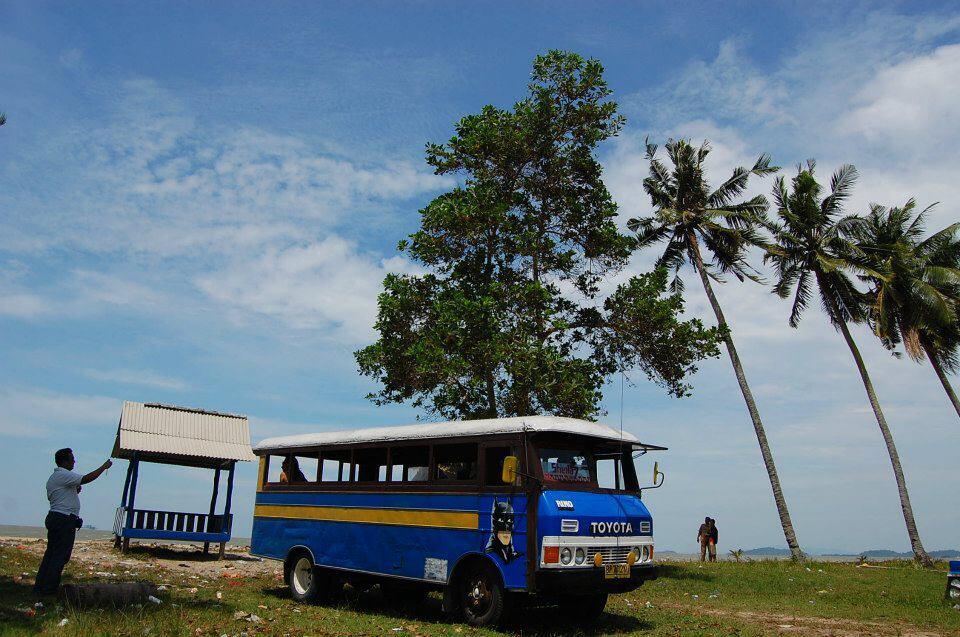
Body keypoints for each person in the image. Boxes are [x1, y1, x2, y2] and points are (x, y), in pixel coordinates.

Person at [33, 448, 112, 596]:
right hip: (63, 519)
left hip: (57, 517)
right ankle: (49, 590)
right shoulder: (63, 474)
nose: (74, 461)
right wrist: (103, 467)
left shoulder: (55, 477)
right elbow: (86, 478)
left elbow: (61, 496)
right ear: (64, 461)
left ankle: (40, 587)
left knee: (51, 554)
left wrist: (74, 490)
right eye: (72, 459)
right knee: (60, 556)